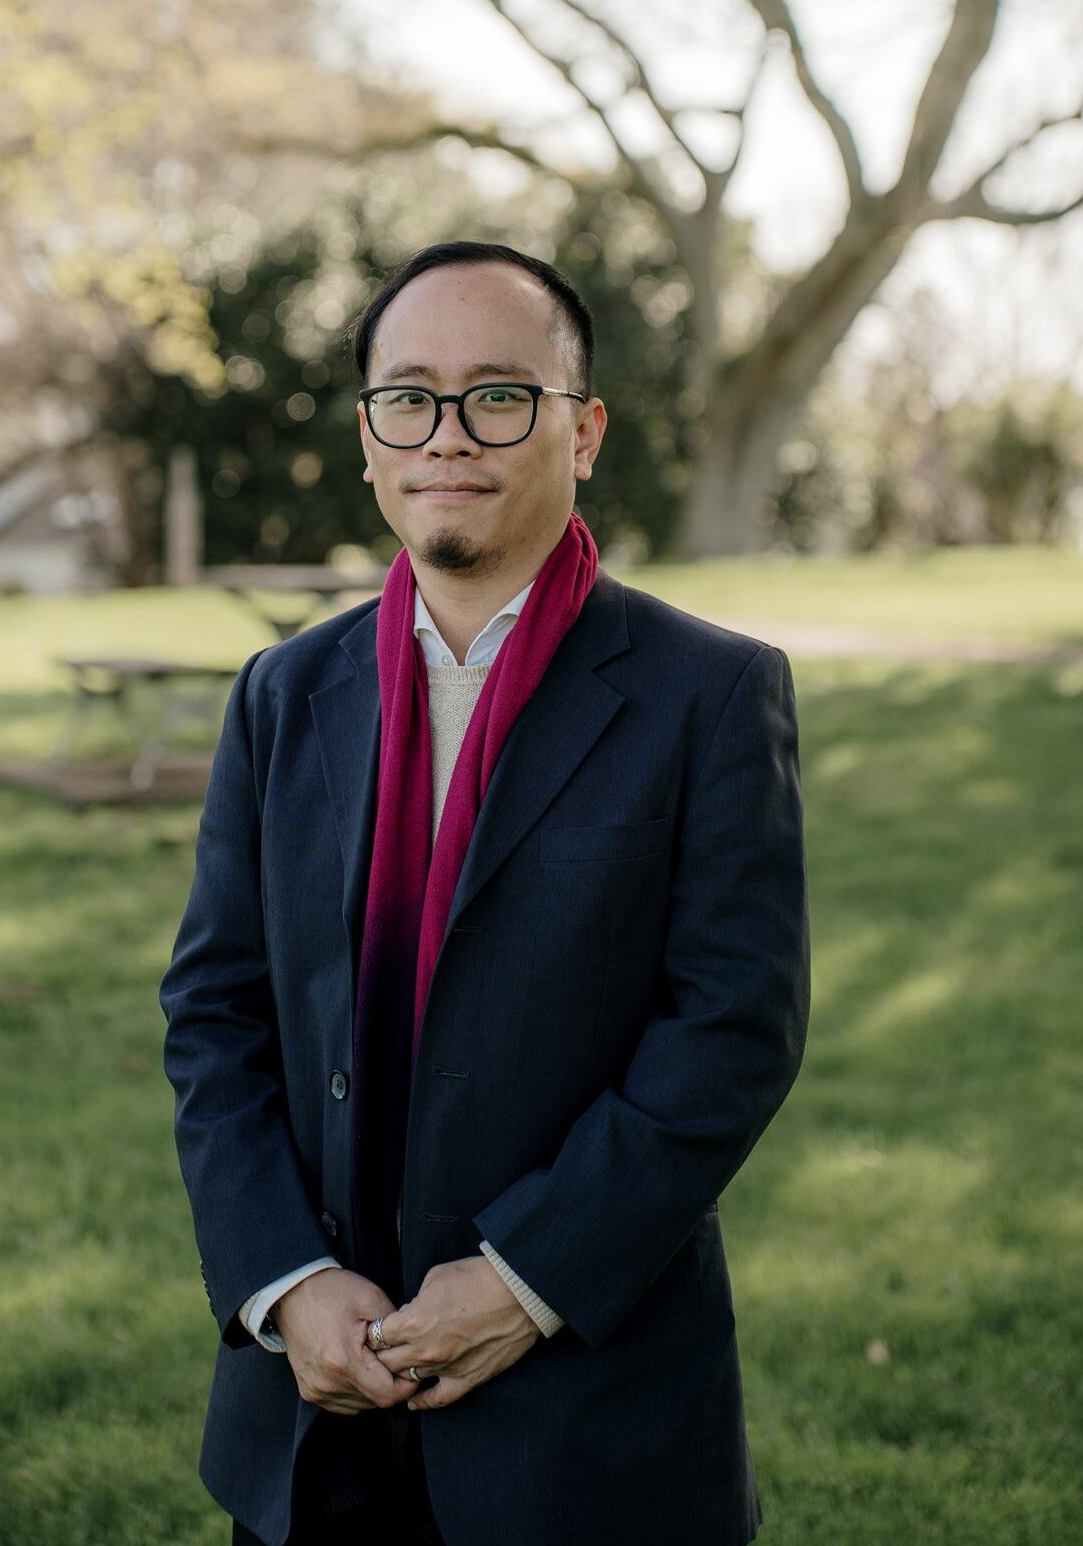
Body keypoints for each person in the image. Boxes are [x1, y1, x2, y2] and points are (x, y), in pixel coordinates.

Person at [160, 240, 810, 1546]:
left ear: (585, 432)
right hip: (316, 1406)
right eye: (408, 397)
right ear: (367, 438)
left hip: (586, 1419)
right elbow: (215, 1013)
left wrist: (526, 1279)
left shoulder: (708, 694)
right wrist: (284, 1280)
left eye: (499, 395)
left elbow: (731, 1029)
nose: (447, 434)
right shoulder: (282, 694)